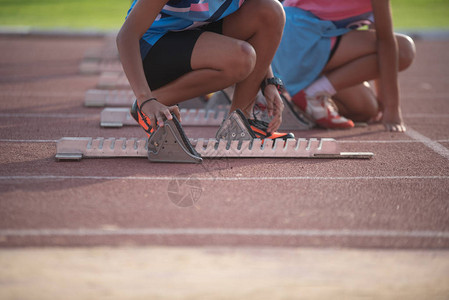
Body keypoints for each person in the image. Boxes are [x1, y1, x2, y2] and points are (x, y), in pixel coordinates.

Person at [116, 0, 294, 140]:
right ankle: (151, 103)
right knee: (240, 59)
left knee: (270, 11)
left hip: (193, 32)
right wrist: (145, 98)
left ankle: (240, 123)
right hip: (149, 50)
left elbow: (263, 24)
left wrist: (268, 82)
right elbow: (127, 35)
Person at [272, 0, 416, 131]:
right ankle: (314, 93)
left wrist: (383, 103)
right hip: (297, 35)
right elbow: (385, 42)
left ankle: (295, 107)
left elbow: (380, 45)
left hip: (299, 42)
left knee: (367, 109)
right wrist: (392, 108)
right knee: (404, 50)